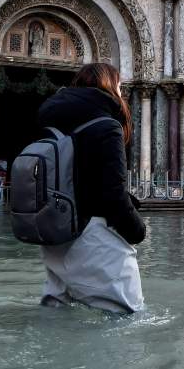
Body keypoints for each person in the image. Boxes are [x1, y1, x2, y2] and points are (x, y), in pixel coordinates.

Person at [35, 62, 146, 314]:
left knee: (56, 315)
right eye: (119, 85)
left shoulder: (50, 121)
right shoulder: (108, 126)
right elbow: (113, 193)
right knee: (126, 318)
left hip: (55, 235)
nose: (122, 92)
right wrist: (137, 230)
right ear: (109, 86)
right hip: (95, 235)